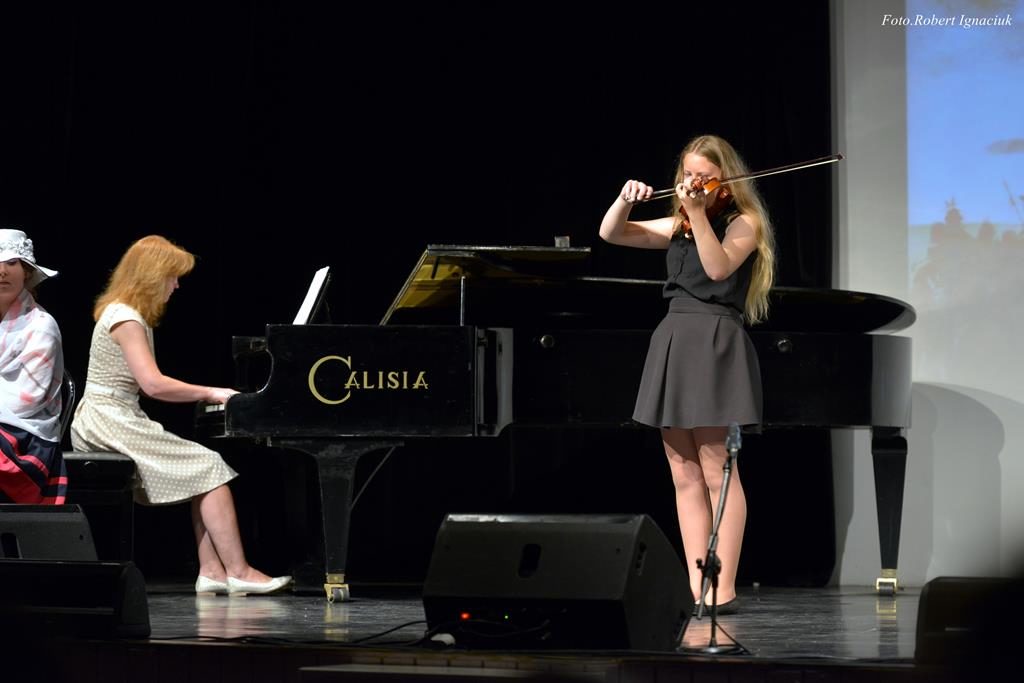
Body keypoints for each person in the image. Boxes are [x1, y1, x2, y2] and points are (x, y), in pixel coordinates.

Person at [599, 135, 775, 614]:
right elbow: (612, 233)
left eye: (704, 176)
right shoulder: (678, 224)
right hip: (674, 338)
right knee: (683, 472)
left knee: (719, 469)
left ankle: (724, 584)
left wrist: (696, 214)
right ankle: (698, 583)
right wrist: (624, 200)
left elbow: (717, 269)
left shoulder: (744, 222)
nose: (693, 183)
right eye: (687, 174)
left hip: (715, 341)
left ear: (725, 182)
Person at [70, 235, 291, 595]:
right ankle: (239, 572)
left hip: (114, 415)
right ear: (152, 276)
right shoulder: (125, 317)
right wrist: (210, 392)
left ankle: (212, 572)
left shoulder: (130, 315)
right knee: (210, 466)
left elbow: (145, 387)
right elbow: (153, 385)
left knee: (202, 469)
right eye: (172, 277)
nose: (176, 285)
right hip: (107, 420)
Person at [0, 229, 66, 505]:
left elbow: (25, 402)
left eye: (11, 263)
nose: (2, 271)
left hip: (23, 437)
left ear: (26, 271)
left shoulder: (41, 326)